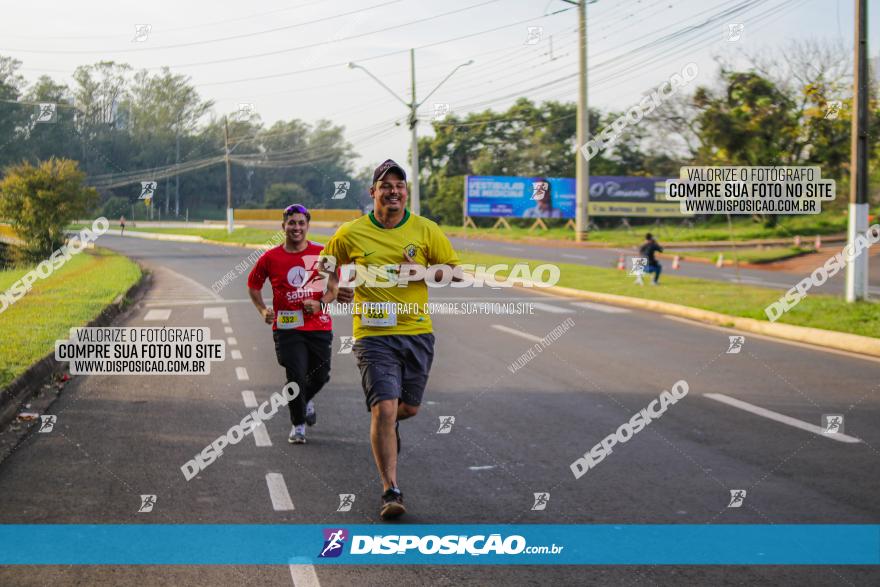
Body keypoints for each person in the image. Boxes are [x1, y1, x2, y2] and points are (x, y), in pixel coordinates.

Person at [321, 159, 460, 520]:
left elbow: (456, 273)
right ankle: (390, 490)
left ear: (406, 193)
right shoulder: (350, 232)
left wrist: (423, 271)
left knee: (406, 409)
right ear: (373, 193)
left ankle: (384, 424)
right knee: (384, 408)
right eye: (386, 185)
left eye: (399, 185)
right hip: (372, 335)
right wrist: (334, 288)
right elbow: (325, 265)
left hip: (416, 333)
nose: (393, 191)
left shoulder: (425, 229)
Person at [247, 204, 338, 444]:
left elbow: (334, 288)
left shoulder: (322, 253)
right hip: (287, 328)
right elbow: (253, 286)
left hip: (319, 326)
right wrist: (262, 310)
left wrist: (321, 304)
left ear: (307, 226)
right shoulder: (269, 257)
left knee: (321, 376)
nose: (296, 228)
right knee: (295, 377)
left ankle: (306, 400)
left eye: (301, 223)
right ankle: (298, 425)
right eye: (291, 223)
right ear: (283, 226)